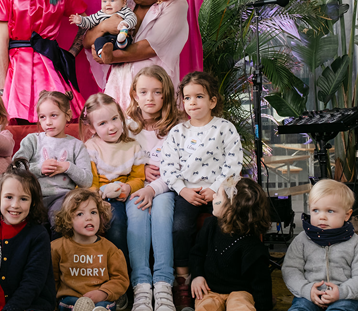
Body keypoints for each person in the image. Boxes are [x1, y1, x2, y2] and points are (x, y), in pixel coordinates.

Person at [160, 71, 243, 310]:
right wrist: (182, 190)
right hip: (188, 191)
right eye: (187, 98)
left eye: (198, 96)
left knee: (225, 227)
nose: (192, 102)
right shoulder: (178, 132)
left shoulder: (224, 128)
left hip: (220, 191)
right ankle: (184, 280)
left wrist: (216, 189)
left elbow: (234, 162)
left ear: (212, 101)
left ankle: (222, 277)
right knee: (179, 228)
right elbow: (167, 165)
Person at [84, 0, 189, 111]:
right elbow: (87, 40)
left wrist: (110, 57)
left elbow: (148, 48)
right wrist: (103, 27)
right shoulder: (127, 1)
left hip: (153, 89)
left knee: (155, 131)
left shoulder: (176, 4)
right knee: (117, 129)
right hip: (120, 83)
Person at [124, 66, 183, 310]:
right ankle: (141, 286)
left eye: (157, 92)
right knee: (137, 210)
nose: (150, 98)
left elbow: (177, 170)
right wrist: (141, 171)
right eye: (144, 92)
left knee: (162, 209)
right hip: (137, 187)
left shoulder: (176, 129)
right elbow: (118, 162)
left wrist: (153, 188)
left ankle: (162, 283)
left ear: (166, 96)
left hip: (166, 188)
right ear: (135, 95)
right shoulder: (127, 127)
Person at [282, 180, 358, 311]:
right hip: (309, 296)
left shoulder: (356, 243)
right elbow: (291, 270)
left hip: (345, 297)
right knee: (300, 308)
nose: (322, 217)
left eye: (330, 211)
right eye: (316, 210)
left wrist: (341, 292)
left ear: (347, 215)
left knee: (344, 308)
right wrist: (307, 290)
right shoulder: (301, 240)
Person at [80, 93, 145, 264]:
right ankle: (114, 269)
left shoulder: (133, 146)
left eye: (115, 118)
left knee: (127, 224)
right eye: (102, 123)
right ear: (92, 128)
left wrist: (128, 188)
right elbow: (90, 183)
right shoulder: (91, 148)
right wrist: (99, 201)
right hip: (98, 197)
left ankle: (129, 271)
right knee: (113, 222)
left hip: (123, 196)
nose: (112, 127)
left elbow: (138, 178)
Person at [189, 176, 272, 311]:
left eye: (218, 195)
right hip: (210, 290)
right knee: (205, 307)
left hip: (240, 292)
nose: (214, 195)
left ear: (231, 209)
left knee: (241, 306)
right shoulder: (210, 226)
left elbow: (262, 286)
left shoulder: (253, 247)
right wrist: (197, 276)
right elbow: (196, 253)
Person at [13, 90, 93, 228]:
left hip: (63, 198)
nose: (48, 122)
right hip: (32, 196)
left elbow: (87, 181)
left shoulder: (77, 146)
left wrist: (68, 167)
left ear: (67, 115)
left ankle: (57, 248)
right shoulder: (32, 141)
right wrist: (39, 168)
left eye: (54, 115)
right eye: (43, 117)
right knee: (33, 226)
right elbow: (15, 168)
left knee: (57, 218)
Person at [0, 158, 57, 311]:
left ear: (32, 202)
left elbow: (33, 282)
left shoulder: (38, 234)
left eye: (23, 199)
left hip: (31, 302)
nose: (15, 205)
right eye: (9, 197)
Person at [52, 188, 130, 311]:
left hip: (101, 299)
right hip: (71, 299)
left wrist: (104, 292)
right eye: (80, 214)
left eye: (93, 212)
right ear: (68, 219)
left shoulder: (110, 249)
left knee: (104, 306)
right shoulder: (57, 248)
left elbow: (120, 279)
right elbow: (52, 280)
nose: (89, 218)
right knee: (68, 304)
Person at [70, 0, 137, 62]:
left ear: (123, 3)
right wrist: (80, 20)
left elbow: (132, 18)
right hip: (106, 39)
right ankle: (103, 54)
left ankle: (121, 42)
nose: (108, 4)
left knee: (126, 39)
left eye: (112, 1)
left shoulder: (125, 11)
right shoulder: (100, 14)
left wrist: (125, 23)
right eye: (104, 1)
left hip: (121, 35)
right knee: (98, 41)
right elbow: (90, 21)